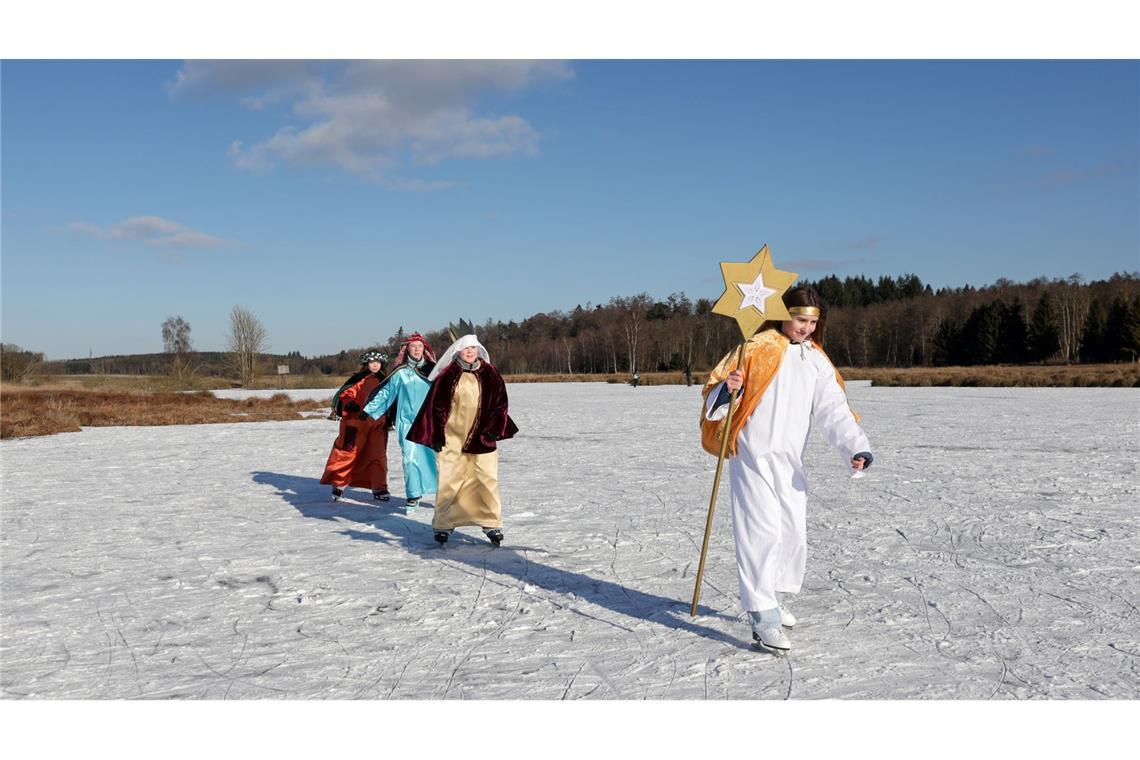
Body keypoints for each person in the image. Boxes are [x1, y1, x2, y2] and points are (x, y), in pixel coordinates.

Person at [700, 286, 873, 652]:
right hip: (751, 455)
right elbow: (715, 399)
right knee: (760, 532)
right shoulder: (755, 347)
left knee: (790, 531)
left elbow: (834, 410)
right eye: (800, 320)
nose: (807, 328)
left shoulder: (815, 359)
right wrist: (728, 389)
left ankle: (773, 598)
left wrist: (855, 447)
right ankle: (762, 616)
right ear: (782, 314)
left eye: (813, 322)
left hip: (789, 461)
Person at [407, 331, 518, 546]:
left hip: (483, 436)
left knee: (486, 479)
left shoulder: (490, 372)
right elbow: (437, 407)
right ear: (458, 350)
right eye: (467, 348)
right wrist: (437, 434)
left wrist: (495, 428)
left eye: (473, 348)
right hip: (452, 437)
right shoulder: (448, 374)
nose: (470, 352)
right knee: (450, 479)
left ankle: (491, 522)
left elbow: (500, 404)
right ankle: (444, 524)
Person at [361, 333, 439, 514]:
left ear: (425, 349)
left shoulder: (434, 371)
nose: (417, 349)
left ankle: (438, 492)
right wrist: (369, 410)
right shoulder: (400, 372)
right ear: (407, 350)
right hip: (406, 422)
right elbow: (386, 393)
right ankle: (413, 495)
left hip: (429, 422)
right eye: (413, 346)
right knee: (409, 458)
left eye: (420, 346)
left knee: (430, 458)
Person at [321, 351, 392, 501]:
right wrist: (349, 403)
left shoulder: (386, 381)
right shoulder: (358, 379)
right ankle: (339, 484)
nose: (375, 365)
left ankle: (379, 487)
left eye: (378, 363)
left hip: (378, 425)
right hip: (355, 423)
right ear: (366, 364)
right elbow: (346, 394)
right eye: (372, 362)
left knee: (377, 455)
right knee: (348, 452)